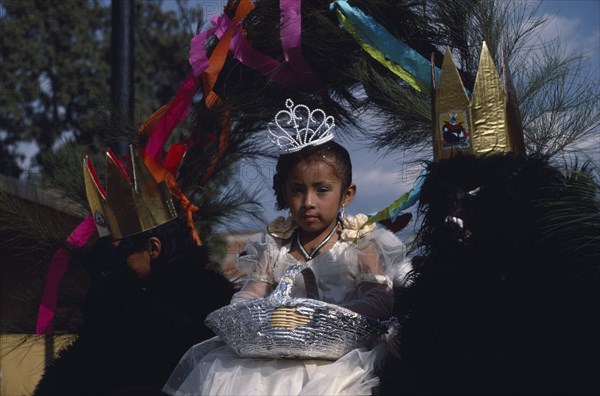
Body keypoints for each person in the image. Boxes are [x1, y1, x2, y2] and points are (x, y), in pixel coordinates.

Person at [163, 99, 408, 395]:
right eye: (297, 190)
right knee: (241, 380)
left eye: (322, 190)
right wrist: (246, 312)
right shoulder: (273, 244)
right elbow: (253, 290)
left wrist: (323, 316)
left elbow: (379, 299)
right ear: (283, 191)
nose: (308, 202)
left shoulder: (359, 243)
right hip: (277, 349)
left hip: (339, 355)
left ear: (347, 194)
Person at [34, 147, 234, 396]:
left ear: (152, 248)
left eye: (120, 256)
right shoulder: (115, 298)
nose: (114, 264)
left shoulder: (206, 299)